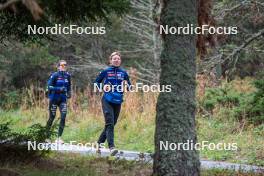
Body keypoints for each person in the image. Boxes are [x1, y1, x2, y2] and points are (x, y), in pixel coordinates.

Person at [94, 51, 131, 156]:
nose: (116, 60)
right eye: (114, 58)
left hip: (118, 100)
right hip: (107, 99)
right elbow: (96, 83)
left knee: (111, 124)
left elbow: (129, 87)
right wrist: (102, 87)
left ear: (120, 61)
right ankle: (111, 147)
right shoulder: (105, 71)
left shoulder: (123, 73)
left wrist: (126, 85)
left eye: (118, 59)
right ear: (110, 60)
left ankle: (98, 144)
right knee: (110, 122)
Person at [46, 60, 71, 144]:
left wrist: (69, 92)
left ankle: (59, 138)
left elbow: (69, 86)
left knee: (63, 116)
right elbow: (49, 86)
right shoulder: (55, 75)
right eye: (62, 65)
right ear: (58, 67)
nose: (64, 66)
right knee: (52, 117)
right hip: (54, 99)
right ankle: (47, 137)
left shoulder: (68, 75)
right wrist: (58, 89)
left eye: (65, 65)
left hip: (63, 100)